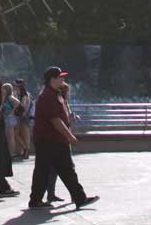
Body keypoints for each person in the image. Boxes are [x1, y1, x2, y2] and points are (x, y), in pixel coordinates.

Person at [28, 67, 98, 210]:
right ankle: (79, 198)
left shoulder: (55, 94)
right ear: (52, 79)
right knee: (62, 170)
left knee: (46, 170)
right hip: (51, 140)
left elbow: (60, 118)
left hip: (51, 140)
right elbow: (55, 120)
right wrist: (70, 136)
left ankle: (36, 200)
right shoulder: (48, 96)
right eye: (60, 77)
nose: (63, 79)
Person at [46, 82, 81, 204]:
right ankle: (76, 196)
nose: (69, 94)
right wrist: (70, 136)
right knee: (67, 168)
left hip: (62, 139)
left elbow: (66, 118)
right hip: (60, 140)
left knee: (55, 169)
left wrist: (73, 118)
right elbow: (57, 121)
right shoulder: (58, 102)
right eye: (67, 91)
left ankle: (51, 195)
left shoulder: (64, 103)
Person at [14, 80, 32, 160]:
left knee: (23, 135)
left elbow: (24, 107)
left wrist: (16, 101)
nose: (15, 88)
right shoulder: (23, 95)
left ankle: (25, 151)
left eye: (16, 86)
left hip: (23, 117)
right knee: (21, 134)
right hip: (23, 117)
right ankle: (24, 151)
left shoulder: (24, 96)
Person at [1, 83, 19, 158]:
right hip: (7, 118)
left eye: (3, 89)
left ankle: (11, 153)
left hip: (10, 118)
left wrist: (12, 112)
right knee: (8, 137)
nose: (2, 90)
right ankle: (9, 152)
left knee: (10, 137)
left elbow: (18, 103)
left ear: (7, 90)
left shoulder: (10, 97)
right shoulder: (5, 97)